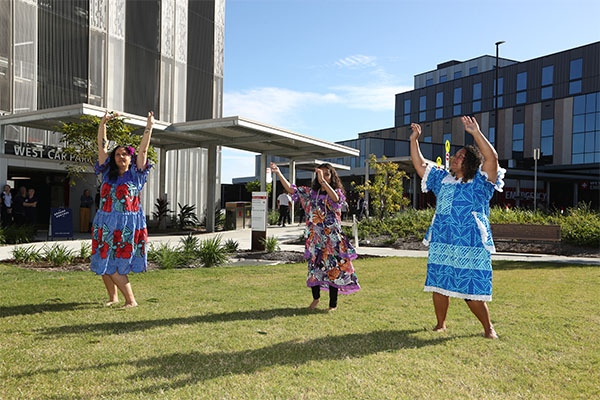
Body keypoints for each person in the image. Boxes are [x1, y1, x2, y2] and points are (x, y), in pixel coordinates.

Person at [410, 116, 504, 339]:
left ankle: (488, 327)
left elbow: (492, 158)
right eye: (456, 155)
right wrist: (414, 141)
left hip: (470, 242)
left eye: (461, 156)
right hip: (443, 239)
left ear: (471, 162)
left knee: (471, 290)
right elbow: (421, 165)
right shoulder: (442, 179)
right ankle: (440, 324)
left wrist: (475, 133)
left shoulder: (481, 182)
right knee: (439, 283)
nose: (455, 158)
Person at [271, 161, 360, 311]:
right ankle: (316, 299)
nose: (323, 176)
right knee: (314, 269)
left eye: (327, 174)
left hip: (332, 239)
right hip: (315, 239)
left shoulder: (336, 192)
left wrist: (324, 182)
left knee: (333, 269)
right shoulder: (310, 193)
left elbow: (336, 200)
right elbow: (291, 190)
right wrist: (279, 173)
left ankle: (333, 305)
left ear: (332, 176)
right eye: (320, 174)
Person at [90, 110, 154, 308]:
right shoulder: (107, 174)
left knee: (113, 263)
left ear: (130, 157)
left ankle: (131, 300)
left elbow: (143, 150)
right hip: (105, 221)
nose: (120, 156)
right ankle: (113, 297)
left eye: (125, 154)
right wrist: (103, 124)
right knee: (103, 260)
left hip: (127, 223)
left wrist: (149, 126)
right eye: (117, 154)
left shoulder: (137, 175)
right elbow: (102, 146)